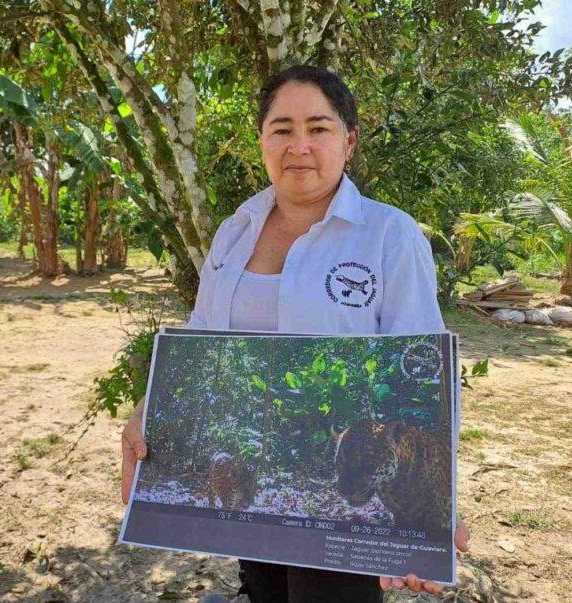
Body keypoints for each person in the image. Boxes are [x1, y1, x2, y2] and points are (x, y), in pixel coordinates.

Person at [122, 64, 469, 602]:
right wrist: (147, 411)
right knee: (261, 589)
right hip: (256, 498)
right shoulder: (234, 231)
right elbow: (200, 335)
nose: (299, 146)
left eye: (319, 128)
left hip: (350, 508)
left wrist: (435, 512)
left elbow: (424, 365)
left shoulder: (388, 234)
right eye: (282, 129)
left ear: (349, 141)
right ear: (261, 141)